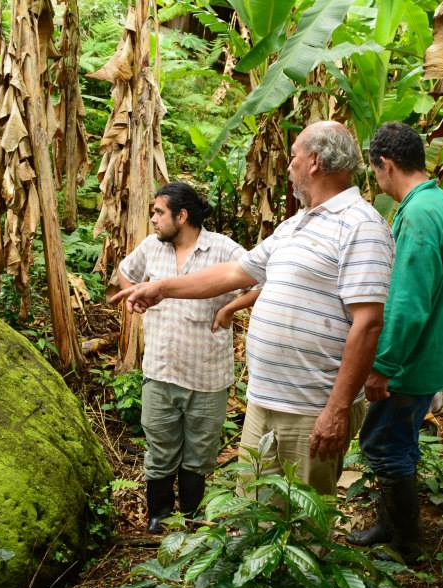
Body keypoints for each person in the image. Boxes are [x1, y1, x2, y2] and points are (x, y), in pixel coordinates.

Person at [112, 121, 395, 497]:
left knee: (302, 514)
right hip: (264, 401)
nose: (289, 166)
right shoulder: (294, 226)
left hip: (312, 407)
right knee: (252, 509)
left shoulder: (362, 226)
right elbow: (236, 272)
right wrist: (162, 288)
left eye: (293, 157)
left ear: (314, 161)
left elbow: (369, 323)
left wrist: (338, 409)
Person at [345, 122, 443, 561]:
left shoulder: (419, 214)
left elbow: (408, 302)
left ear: (385, 164)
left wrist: (383, 365)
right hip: (432, 352)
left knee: (382, 444)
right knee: (397, 441)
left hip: (413, 358)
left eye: (374, 171)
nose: (376, 180)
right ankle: (390, 526)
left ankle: (406, 543)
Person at [118, 182, 256, 533]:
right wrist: (134, 295)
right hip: (160, 370)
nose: (153, 219)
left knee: (198, 454)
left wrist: (230, 309)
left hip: (206, 375)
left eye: (158, 212)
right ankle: (159, 516)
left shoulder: (223, 249)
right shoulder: (152, 247)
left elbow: (259, 281)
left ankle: (191, 520)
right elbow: (126, 271)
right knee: (160, 449)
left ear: (182, 216)